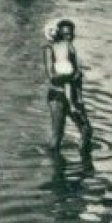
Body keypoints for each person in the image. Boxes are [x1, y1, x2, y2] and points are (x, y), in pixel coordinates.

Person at [43, 19, 93, 154]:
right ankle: (55, 167)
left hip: (74, 95)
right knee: (57, 136)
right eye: (65, 34)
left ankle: (85, 160)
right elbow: (52, 76)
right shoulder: (49, 49)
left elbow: (78, 76)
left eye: (70, 34)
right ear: (58, 34)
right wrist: (71, 75)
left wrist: (80, 99)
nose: (68, 37)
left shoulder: (71, 49)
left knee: (86, 129)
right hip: (57, 96)